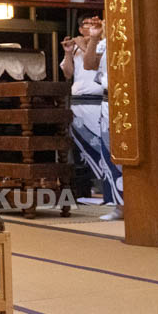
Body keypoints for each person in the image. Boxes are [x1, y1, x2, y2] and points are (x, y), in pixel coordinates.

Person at [81, 17, 124, 220]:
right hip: (108, 101)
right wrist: (94, 38)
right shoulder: (105, 42)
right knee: (110, 153)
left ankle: (133, 204)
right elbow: (89, 65)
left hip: (127, 99)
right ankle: (120, 205)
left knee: (127, 153)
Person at [60, 16, 104, 203]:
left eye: (93, 25)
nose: (90, 28)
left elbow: (93, 65)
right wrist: (69, 52)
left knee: (98, 142)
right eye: (86, 25)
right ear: (80, 29)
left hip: (96, 102)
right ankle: (84, 189)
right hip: (77, 103)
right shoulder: (76, 47)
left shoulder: (102, 45)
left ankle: (101, 187)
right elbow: (68, 73)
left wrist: (87, 44)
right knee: (79, 144)